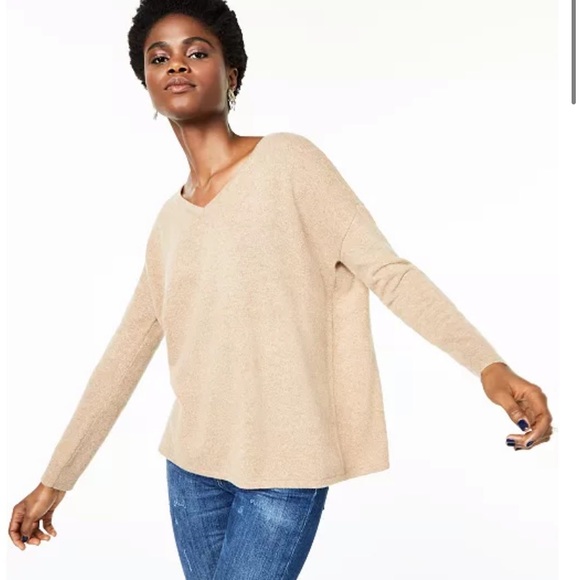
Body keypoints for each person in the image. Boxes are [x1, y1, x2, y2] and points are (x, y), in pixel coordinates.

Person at [8, 0, 554, 578]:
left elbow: (388, 272)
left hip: (287, 463)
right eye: (159, 58)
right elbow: (124, 355)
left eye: (197, 52)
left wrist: (487, 365)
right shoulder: (169, 223)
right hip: (192, 469)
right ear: (146, 83)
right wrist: (56, 479)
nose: (177, 65)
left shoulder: (290, 162)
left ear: (232, 73)